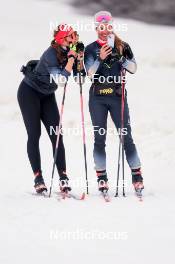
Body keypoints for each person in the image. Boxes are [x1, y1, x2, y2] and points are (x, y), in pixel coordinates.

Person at [17, 24, 85, 193]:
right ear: (62, 39)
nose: (75, 38)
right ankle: (38, 177)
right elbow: (61, 81)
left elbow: (79, 79)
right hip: (29, 93)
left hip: (47, 95)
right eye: (71, 36)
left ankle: (63, 177)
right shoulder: (50, 55)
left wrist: (79, 59)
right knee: (35, 134)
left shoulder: (71, 49)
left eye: (75, 34)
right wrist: (70, 59)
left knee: (56, 134)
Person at [84, 11, 144, 194]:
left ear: (112, 26)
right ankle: (102, 178)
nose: (104, 30)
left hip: (118, 96)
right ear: (96, 28)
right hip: (98, 97)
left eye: (108, 26)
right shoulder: (90, 48)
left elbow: (133, 68)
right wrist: (100, 58)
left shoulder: (122, 45)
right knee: (99, 138)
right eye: (101, 27)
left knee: (126, 136)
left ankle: (137, 176)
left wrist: (122, 59)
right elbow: (90, 74)